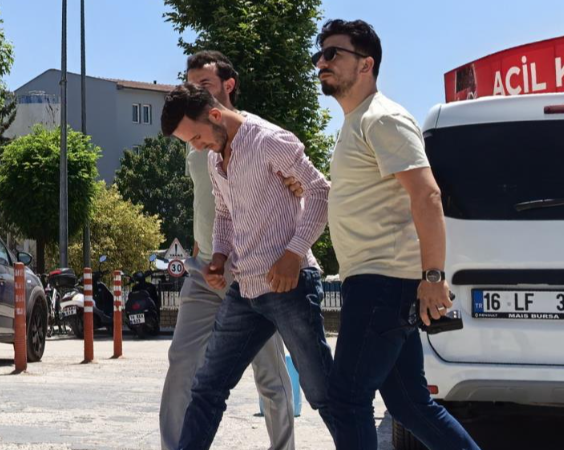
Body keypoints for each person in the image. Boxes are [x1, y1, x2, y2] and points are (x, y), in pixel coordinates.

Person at [314, 19, 480, 449]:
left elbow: (427, 195)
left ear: (366, 64)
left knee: (346, 401)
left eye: (332, 53)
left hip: (382, 283)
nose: (321, 62)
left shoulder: (383, 117)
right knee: (409, 404)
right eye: (318, 55)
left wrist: (434, 277)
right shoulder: (357, 122)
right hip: (376, 282)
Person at [161, 83, 339, 450]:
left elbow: (320, 191)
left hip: (290, 286)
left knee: (323, 393)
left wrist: (294, 253)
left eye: (196, 137)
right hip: (245, 290)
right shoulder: (214, 160)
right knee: (207, 387)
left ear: (215, 115)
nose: (197, 147)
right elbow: (224, 214)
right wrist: (219, 256)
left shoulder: (269, 140)